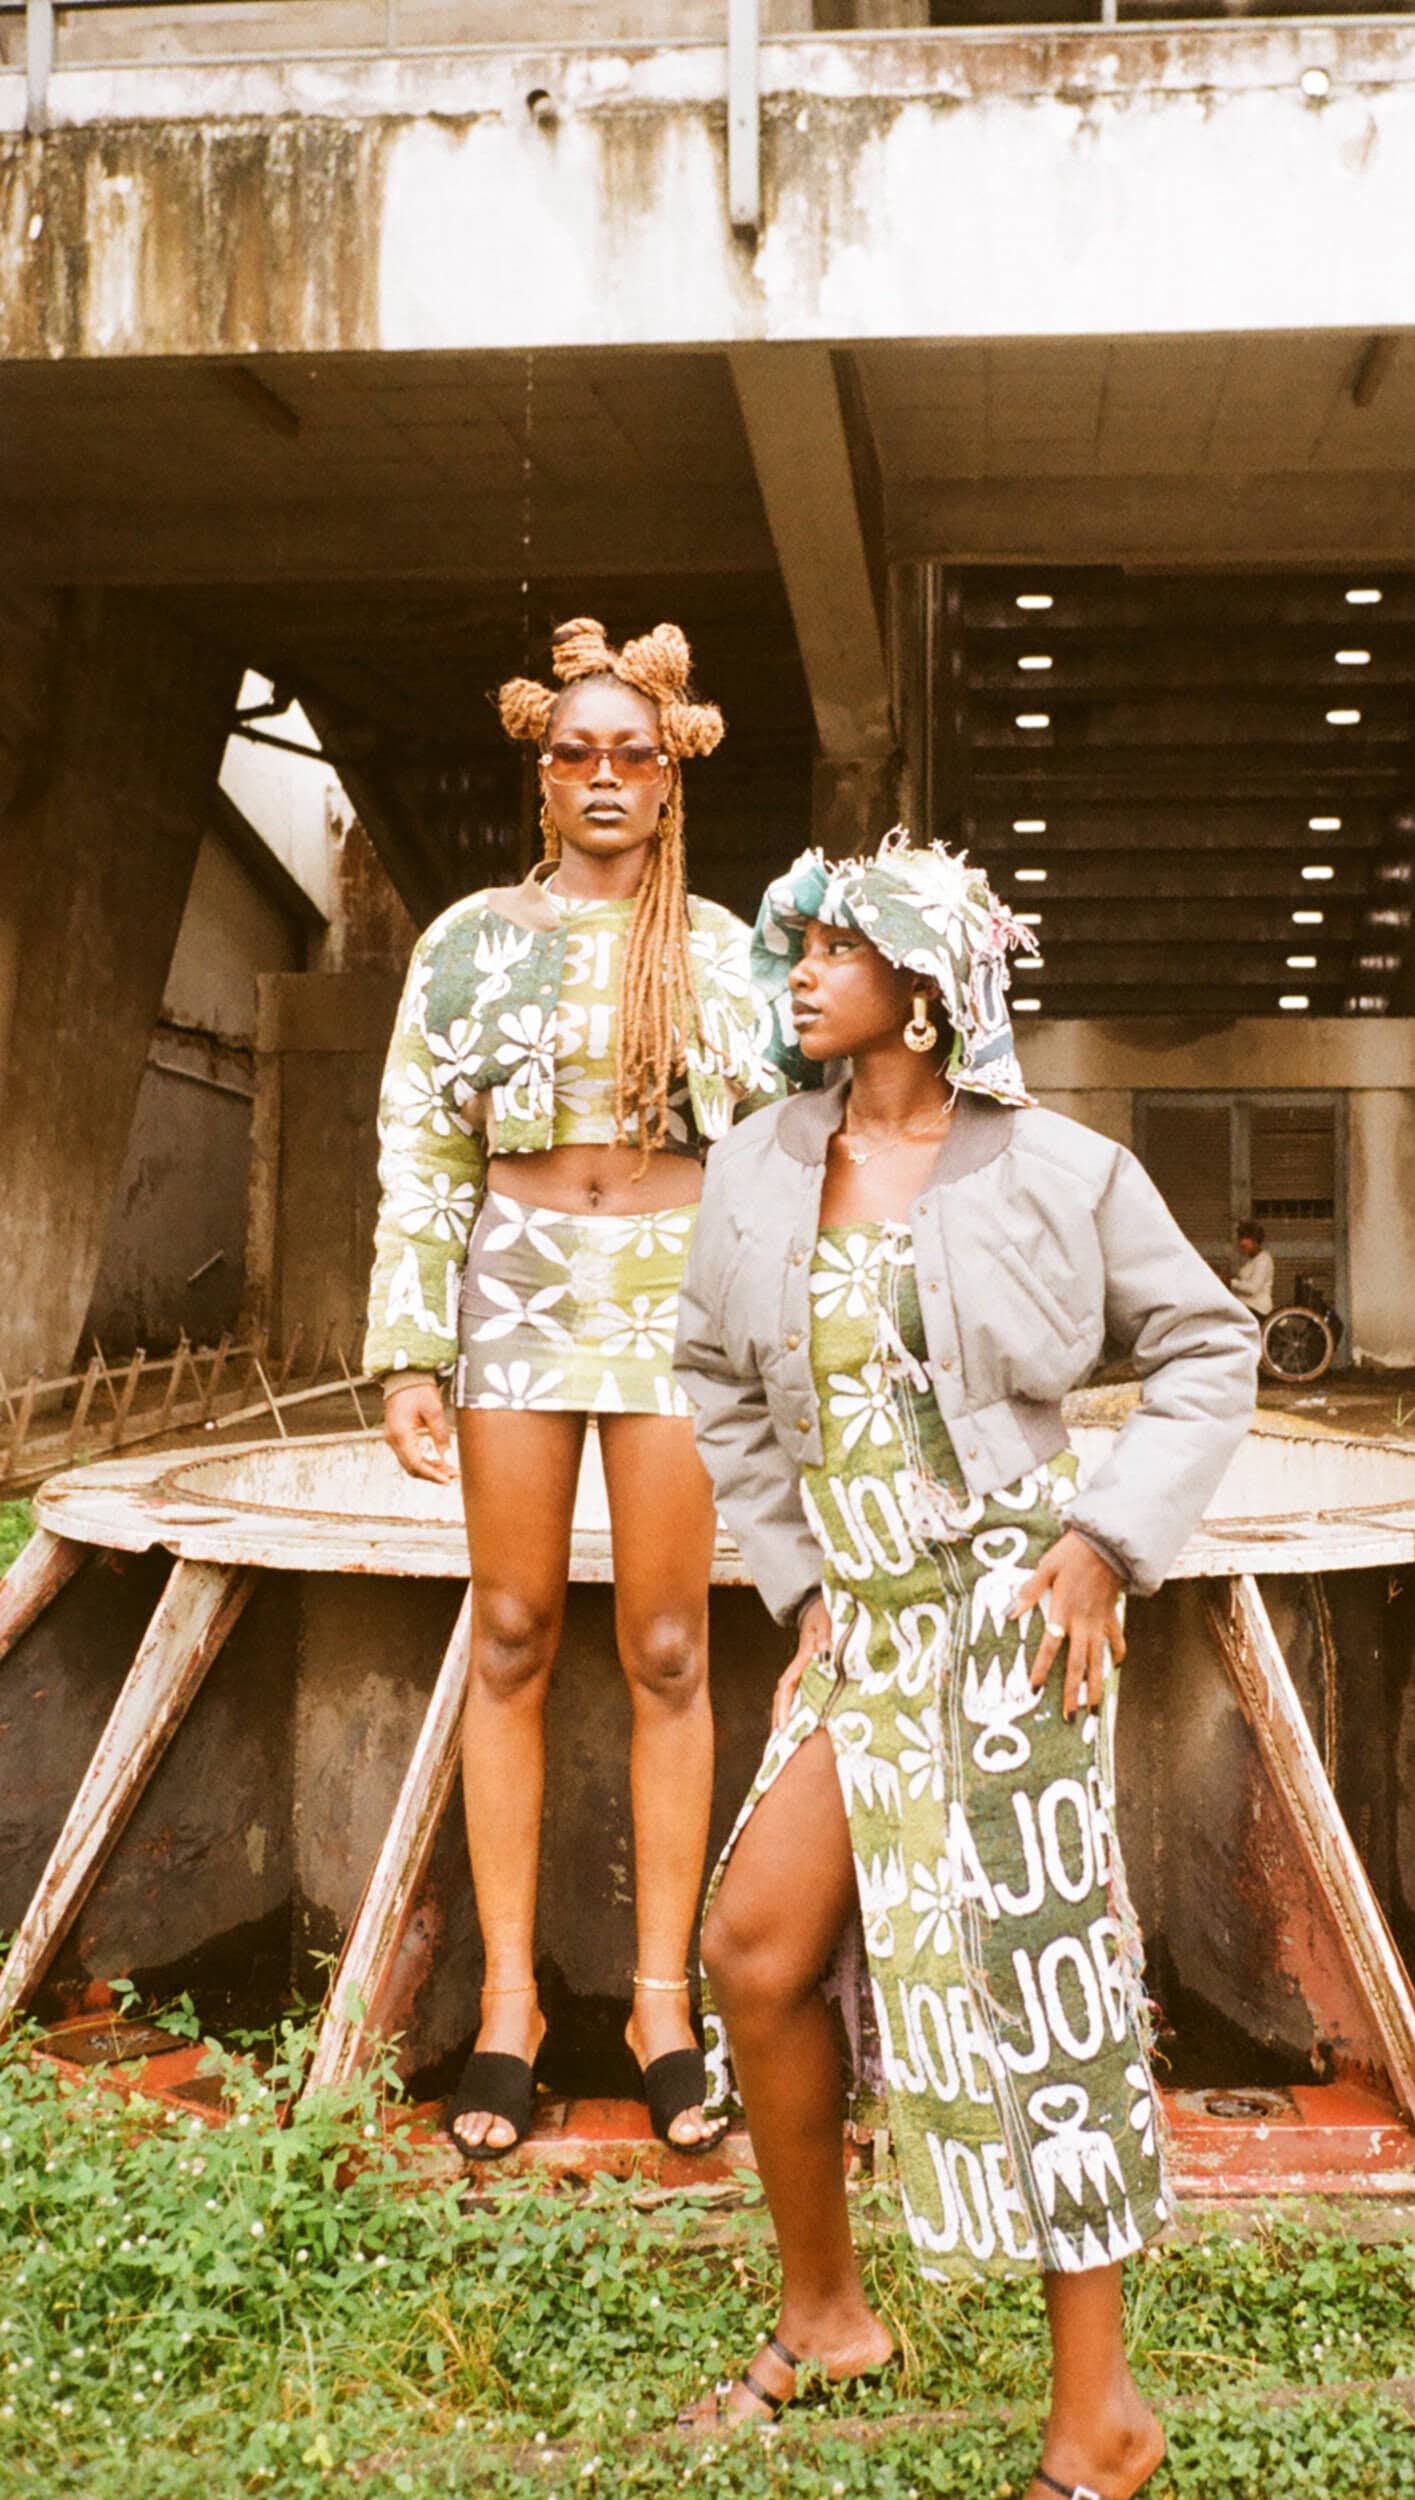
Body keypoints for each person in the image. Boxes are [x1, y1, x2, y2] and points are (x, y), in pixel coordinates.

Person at [672, 833, 1259, 2499]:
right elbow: (718, 1377)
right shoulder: (757, 1164)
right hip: (861, 1626)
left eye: (835, 950)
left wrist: (1107, 1541)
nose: (799, 972)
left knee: (1041, 1994)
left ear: (926, 993)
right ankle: (829, 2315)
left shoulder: (1062, 1169)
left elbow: (1207, 1344)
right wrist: (800, 1585)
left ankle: (1101, 2420)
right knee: (756, 1943)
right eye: (797, 946)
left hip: (1014, 1626)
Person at [363, 616, 779, 2161]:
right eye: (574, 754)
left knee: (668, 1645)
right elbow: (423, 1145)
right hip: (518, 1287)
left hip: (678, 1293)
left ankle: (665, 2010)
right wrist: (411, 1348)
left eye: (631, 755)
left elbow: (784, 1157)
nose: (603, 777)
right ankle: (509, 2011)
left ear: (670, 778)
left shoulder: (727, 952)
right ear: (541, 778)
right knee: (514, 1632)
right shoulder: (468, 941)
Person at [1229, 1220, 1275, 1319]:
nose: (1241, 1243)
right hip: (1245, 1306)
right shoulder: (1251, 1260)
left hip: (1257, 1308)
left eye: (1245, 1239)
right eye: (1240, 1238)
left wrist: (1230, 1282)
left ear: (1255, 1241)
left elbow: (1253, 1288)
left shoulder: (1263, 1260)